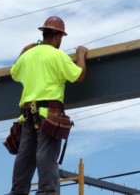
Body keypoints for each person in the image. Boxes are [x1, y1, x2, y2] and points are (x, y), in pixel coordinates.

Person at [8, 16, 88, 195]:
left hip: (28, 115)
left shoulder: (28, 56)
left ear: (43, 33)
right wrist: (81, 55)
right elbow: (79, 75)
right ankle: (47, 192)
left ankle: (17, 192)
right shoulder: (58, 55)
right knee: (46, 155)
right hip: (49, 115)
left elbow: (13, 73)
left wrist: (24, 50)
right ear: (58, 36)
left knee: (25, 156)